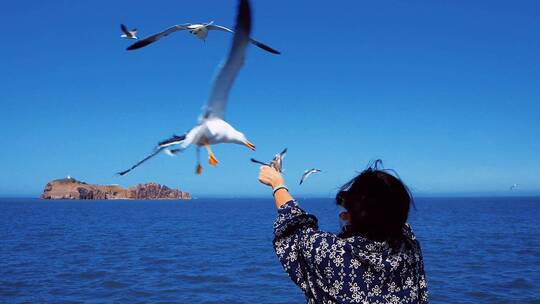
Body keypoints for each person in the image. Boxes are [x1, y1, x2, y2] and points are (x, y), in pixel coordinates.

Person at [258, 160, 428, 303]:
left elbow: (294, 225)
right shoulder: (410, 249)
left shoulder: (330, 253)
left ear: (351, 213)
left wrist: (277, 184)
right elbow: (389, 215)